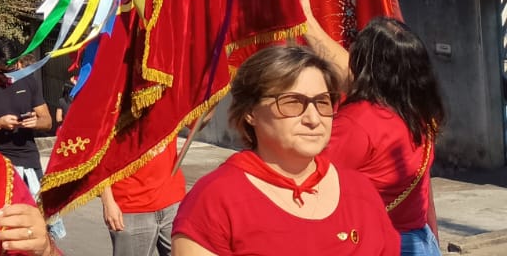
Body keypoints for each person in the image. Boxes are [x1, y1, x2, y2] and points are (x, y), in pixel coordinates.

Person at [172, 45, 397, 256]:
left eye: (322, 102)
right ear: (251, 112)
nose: (313, 118)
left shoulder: (360, 190)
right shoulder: (215, 200)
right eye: (292, 102)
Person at [307, 15, 446, 255]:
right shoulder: (418, 109)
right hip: (421, 241)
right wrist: (307, 18)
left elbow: (313, 180)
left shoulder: (357, 122)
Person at [0, 38, 53, 201]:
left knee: (42, 217)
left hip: (29, 160)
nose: (10, 76)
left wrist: (36, 123)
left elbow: (48, 121)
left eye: (13, 70)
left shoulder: (28, 81)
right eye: (4, 73)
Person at [101, 139, 185, 256]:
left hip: (173, 200)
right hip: (130, 206)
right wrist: (107, 201)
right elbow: (95, 150)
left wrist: (207, 119)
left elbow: (196, 124)